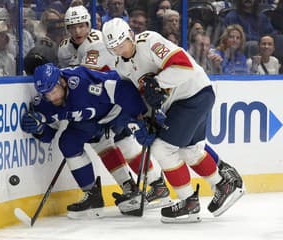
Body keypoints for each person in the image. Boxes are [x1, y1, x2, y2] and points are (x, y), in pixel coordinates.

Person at [102, 18, 244, 223]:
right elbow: (141, 96)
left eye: (121, 44)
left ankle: (189, 202)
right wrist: (143, 120)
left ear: (131, 35)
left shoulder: (150, 41)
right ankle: (223, 185)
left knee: (162, 149)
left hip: (194, 93)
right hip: (181, 103)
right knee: (189, 150)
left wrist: (158, 83)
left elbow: (184, 65)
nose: (119, 50)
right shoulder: (121, 67)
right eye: (113, 48)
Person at [58, 5, 172, 210]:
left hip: (117, 97)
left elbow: (82, 79)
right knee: (107, 141)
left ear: (89, 25)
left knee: (124, 140)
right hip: (99, 104)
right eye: (72, 27)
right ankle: (140, 186)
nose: (77, 32)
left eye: (82, 26)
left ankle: (156, 183)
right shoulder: (65, 48)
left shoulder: (96, 43)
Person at [21, 63, 150, 218]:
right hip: (89, 121)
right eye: (46, 94)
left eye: (53, 91)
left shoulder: (83, 83)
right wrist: (39, 129)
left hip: (114, 112)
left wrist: (139, 116)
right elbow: (49, 135)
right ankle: (93, 196)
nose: (51, 97)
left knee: (104, 140)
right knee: (69, 142)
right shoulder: (45, 102)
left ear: (62, 82)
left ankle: (134, 187)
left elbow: (123, 89)